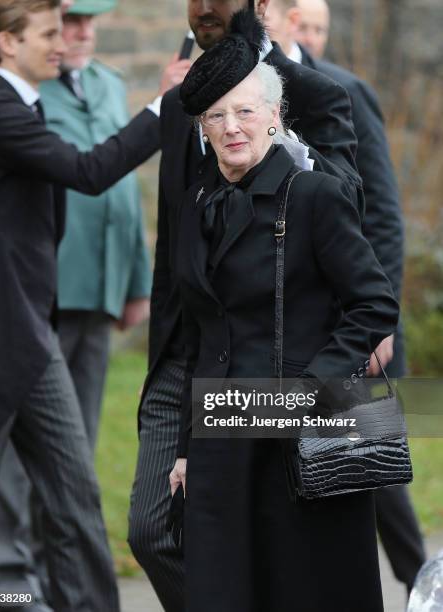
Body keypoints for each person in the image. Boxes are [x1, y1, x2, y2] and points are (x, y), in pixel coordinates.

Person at [128, 1, 362, 609]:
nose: (205, 6)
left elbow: (354, 213)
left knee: (303, 558)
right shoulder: (189, 96)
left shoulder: (314, 97)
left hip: (299, 368)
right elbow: (175, 238)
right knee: (163, 532)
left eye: (245, 113)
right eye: (216, 118)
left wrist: (328, 377)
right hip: (199, 351)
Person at [0, 0, 162, 607]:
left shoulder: (23, 105)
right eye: (49, 33)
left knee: (72, 491)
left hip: (28, 330)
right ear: (7, 43)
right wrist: (164, 108)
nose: (61, 43)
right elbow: (89, 170)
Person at [265, 0, 426, 594]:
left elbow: (382, 214)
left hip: (355, 326)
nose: (306, 35)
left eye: (315, 29)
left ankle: (418, 579)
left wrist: (378, 319)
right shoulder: (243, 93)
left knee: (366, 458)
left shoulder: (345, 90)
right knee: (325, 461)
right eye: (301, 23)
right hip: (289, 333)